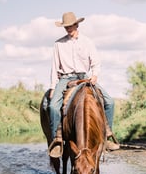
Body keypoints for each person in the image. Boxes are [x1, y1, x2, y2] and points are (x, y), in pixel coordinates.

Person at [47, 12, 119, 158]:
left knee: (110, 102)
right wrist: (53, 87)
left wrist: (95, 75)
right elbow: (54, 67)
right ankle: (57, 140)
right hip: (66, 78)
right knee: (53, 106)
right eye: (65, 26)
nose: (68, 28)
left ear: (76, 24)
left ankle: (106, 134)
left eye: (70, 25)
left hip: (85, 78)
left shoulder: (87, 42)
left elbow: (96, 62)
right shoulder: (58, 44)